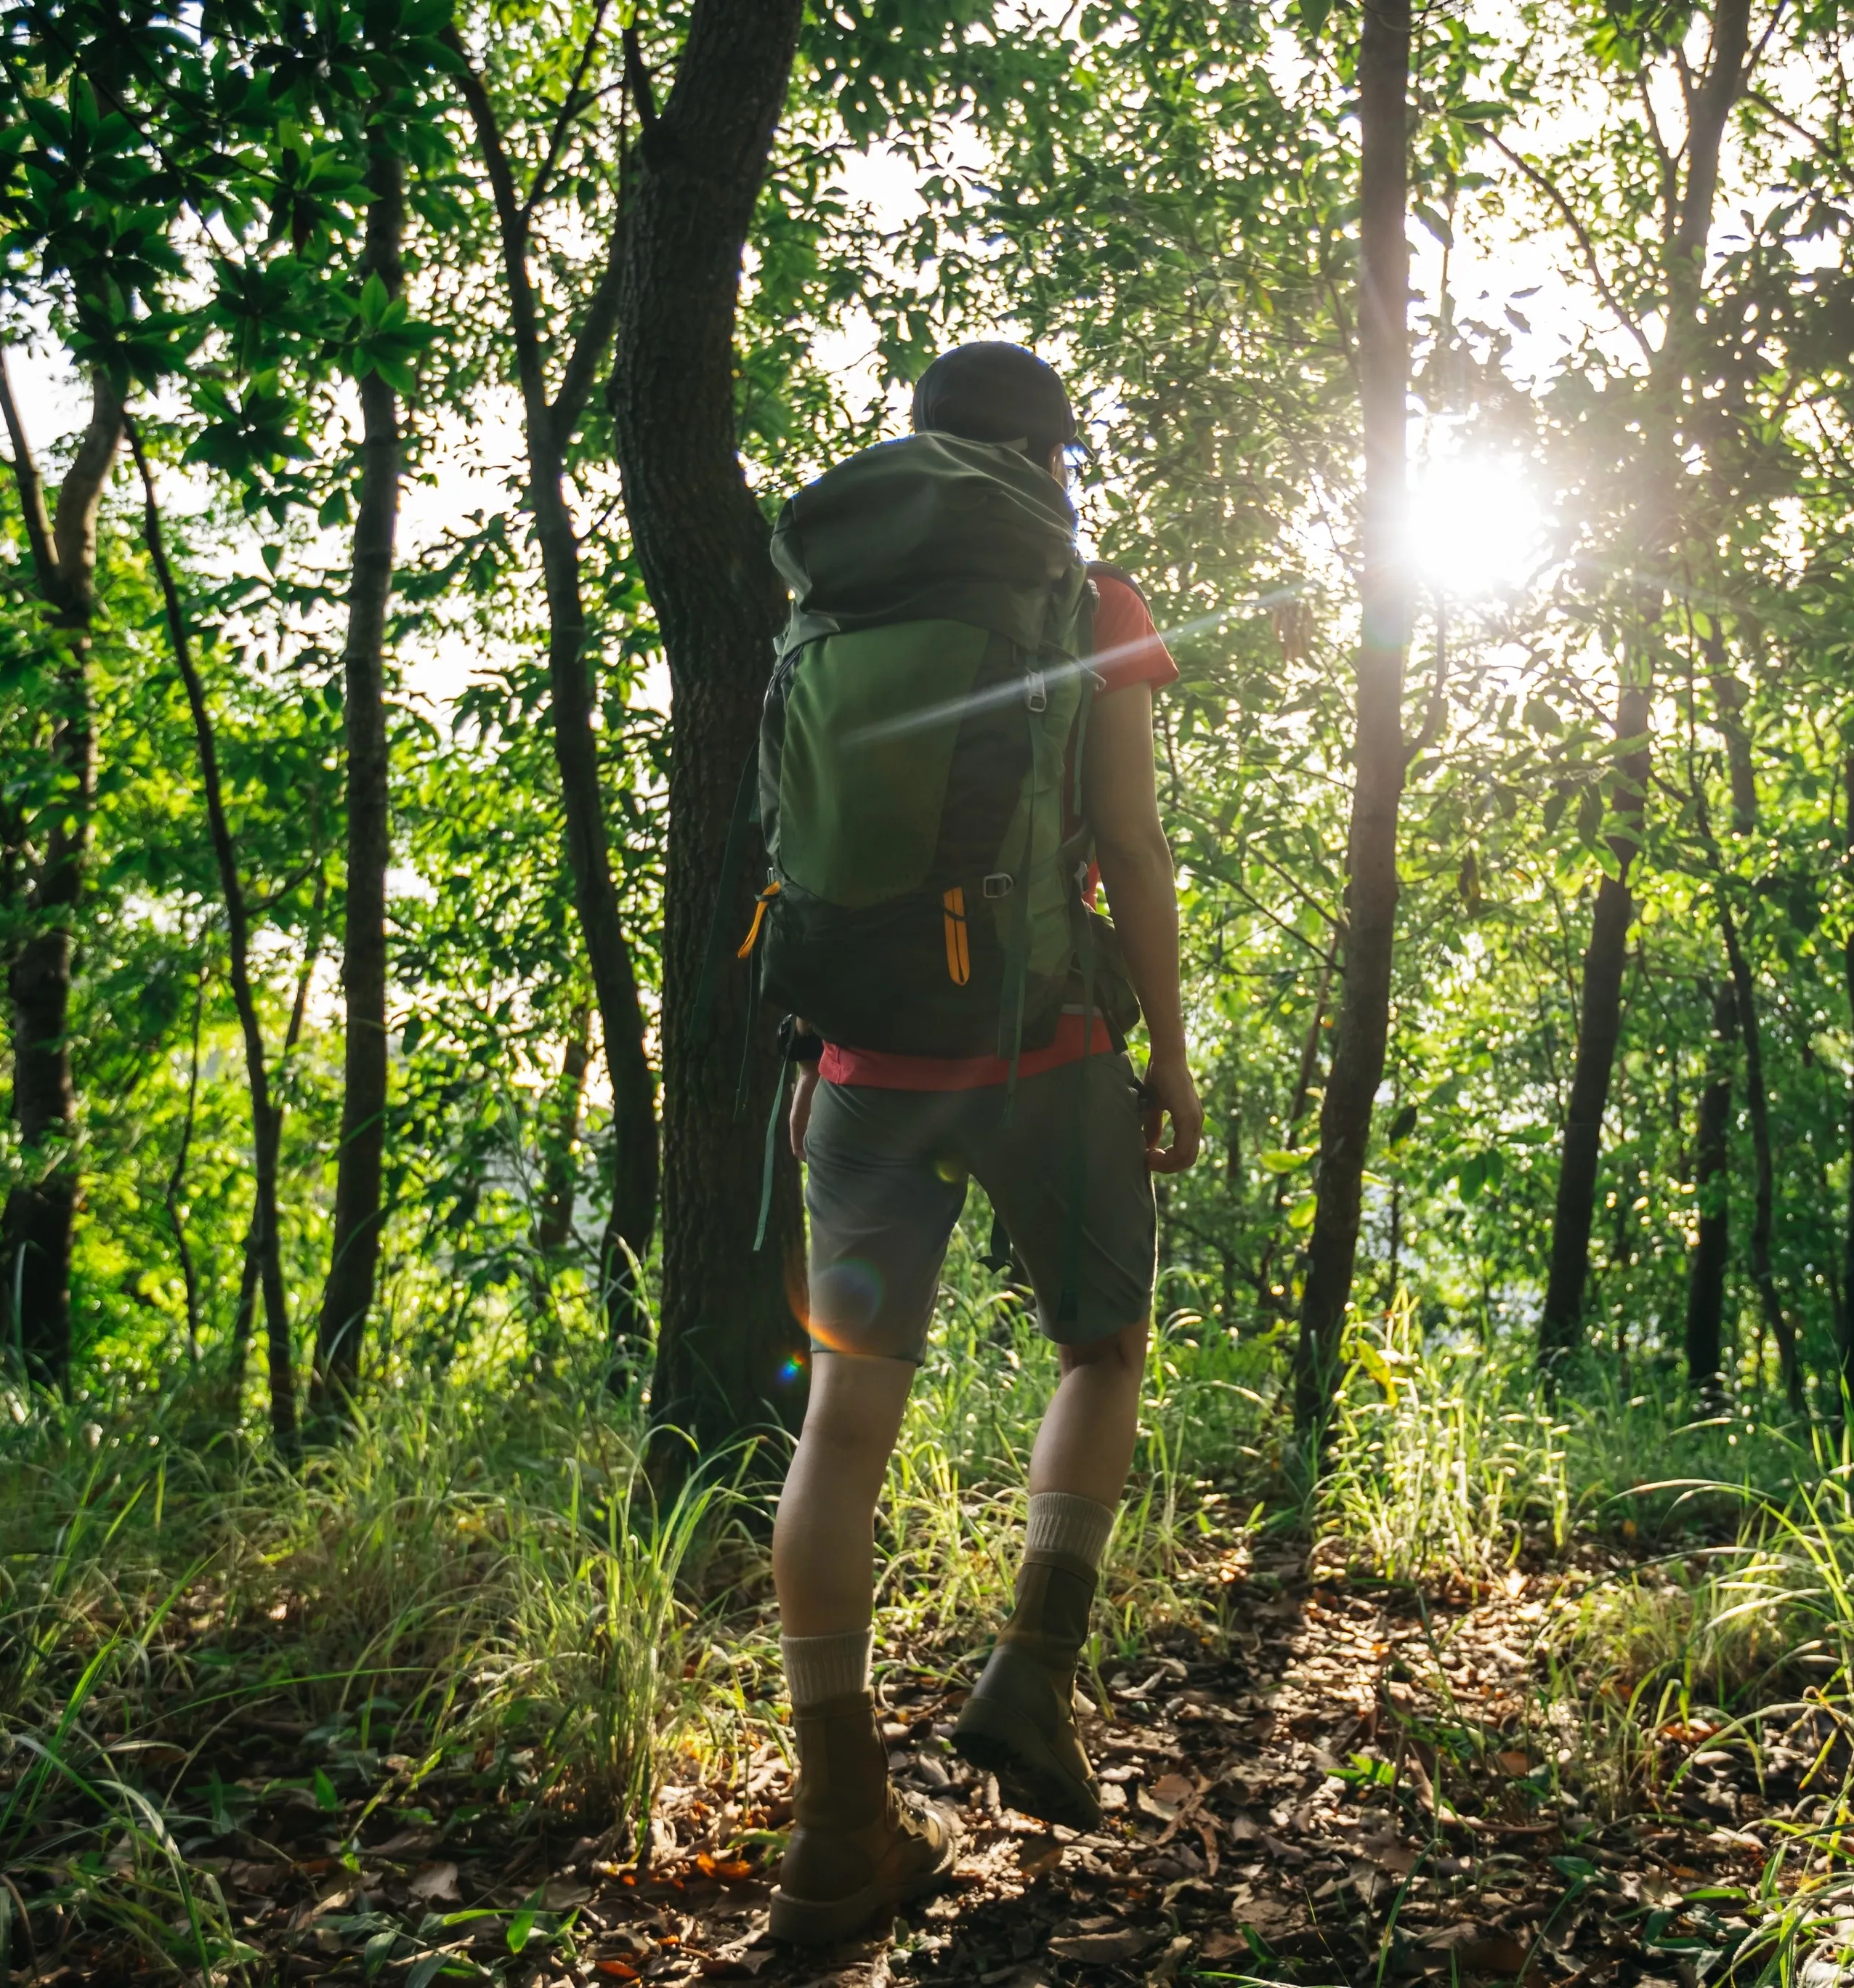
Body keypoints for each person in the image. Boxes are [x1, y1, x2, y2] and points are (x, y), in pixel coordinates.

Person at [759, 342, 1205, 1943]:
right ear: (1055, 459)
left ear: (927, 443)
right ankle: (1034, 1671)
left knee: (840, 1437)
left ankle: (837, 1833)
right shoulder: (1085, 601)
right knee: (1103, 1350)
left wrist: (819, 1052)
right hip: (1049, 1054)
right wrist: (1168, 1049)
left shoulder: (829, 600)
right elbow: (1133, 851)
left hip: (863, 1071)